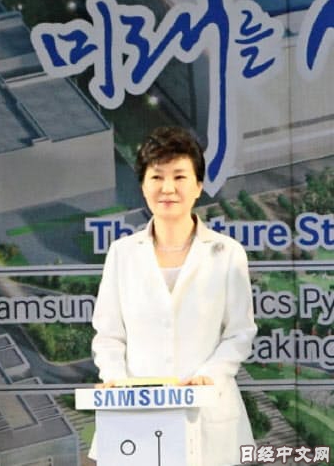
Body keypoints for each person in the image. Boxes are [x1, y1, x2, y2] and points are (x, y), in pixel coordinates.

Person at [90, 126, 257, 465]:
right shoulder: (122, 253)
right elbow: (108, 336)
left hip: (209, 415)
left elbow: (240, 333)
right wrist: (116, 380)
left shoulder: (227, 253)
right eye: (157, 177)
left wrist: (210, 374)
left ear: (198, 186)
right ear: (143, 186)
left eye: (179, 177)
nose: (168, 188)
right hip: (138, 416)